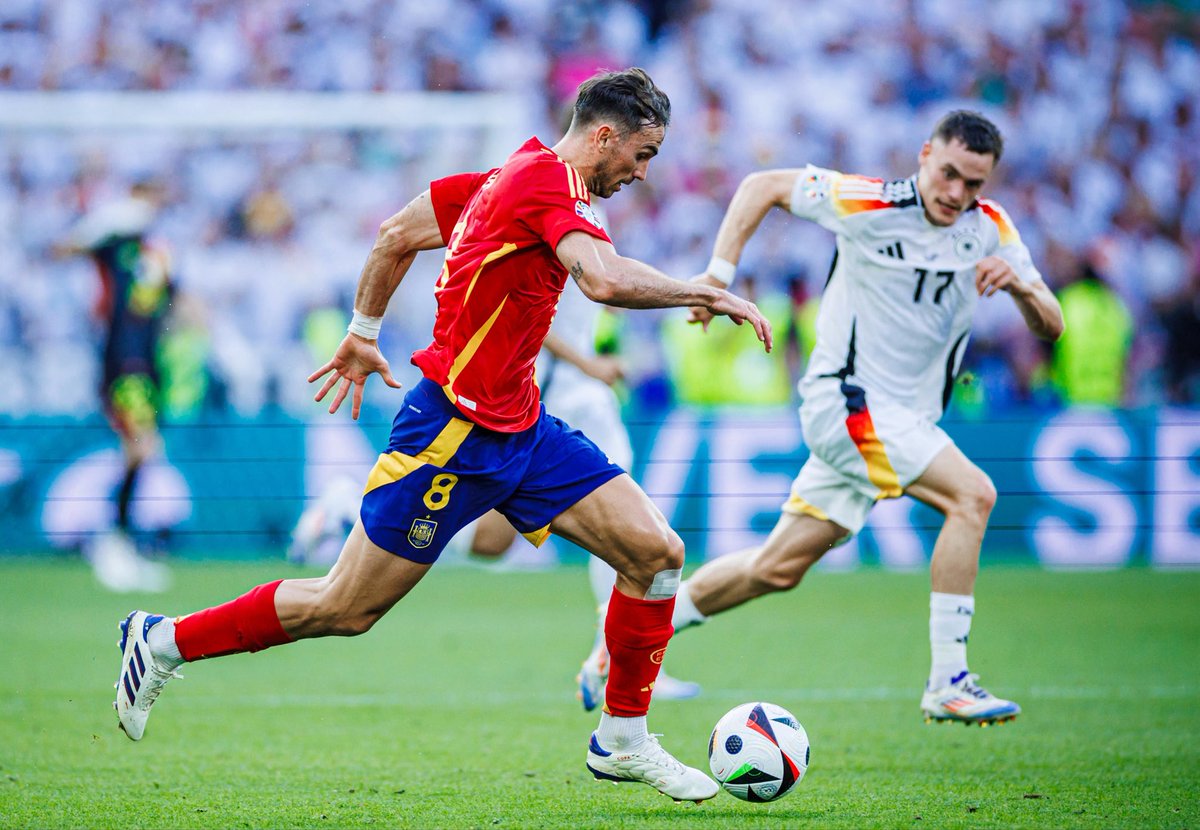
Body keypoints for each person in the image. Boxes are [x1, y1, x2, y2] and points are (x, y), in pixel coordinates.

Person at [112, 68, 772, 803]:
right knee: (344, 608)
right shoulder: (545, 183)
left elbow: (397, 234)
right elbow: (604, 281)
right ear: (606, 134)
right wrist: (706, 290)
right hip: (452, 433)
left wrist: (363, 332)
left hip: (521, 426)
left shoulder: (503, 179)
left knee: (655, 555)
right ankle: (164, 640)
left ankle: (622, 740)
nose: (643, 173)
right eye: (642, 155)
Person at [669, 111, 1063, 725]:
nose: (956, 194)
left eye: (973, 184)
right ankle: (948, 678)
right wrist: (717, 279)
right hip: (847, 404)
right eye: (949, 174)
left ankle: (624, 640)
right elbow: (760, 186)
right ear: (925, 154)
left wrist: (1022, 289)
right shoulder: (868, 201)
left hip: (898, 421)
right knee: (973, 497)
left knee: (775, 568)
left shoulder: (990, 229)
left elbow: (1052, 326)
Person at [454, 279, 702, 706]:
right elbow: (526, 309)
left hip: (566, 395)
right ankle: (619, 659)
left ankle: (352, 510)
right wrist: (588, 362)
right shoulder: (556, 214)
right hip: (556, 396)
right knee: (628, 526)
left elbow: (599, 285)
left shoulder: (587, 216)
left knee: (490, 543)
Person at [58, 179, 174, 593]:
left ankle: (118, 539)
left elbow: (170, 302)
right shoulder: (115, 244)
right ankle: (111, 539)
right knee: (140, 448)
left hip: (147, 364)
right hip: (124, 364)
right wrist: (106, 221)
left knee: (141, 451)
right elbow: (69, 247)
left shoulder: (157, 252)